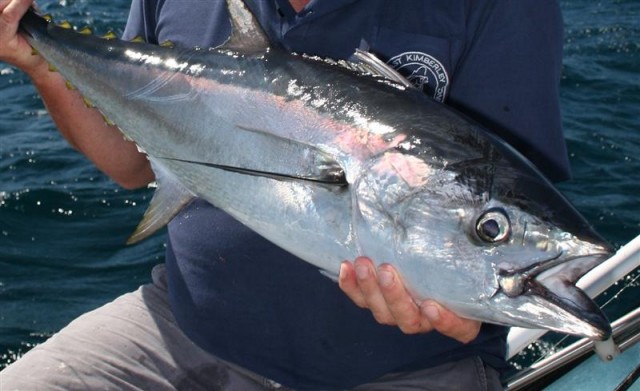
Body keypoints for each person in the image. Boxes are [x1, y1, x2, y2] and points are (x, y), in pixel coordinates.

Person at [0, 0, 570, 389]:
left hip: (410, 371)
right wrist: (42, 63)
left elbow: (498, 201)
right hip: (188, 330)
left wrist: (464, 314)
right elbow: (131, 165)